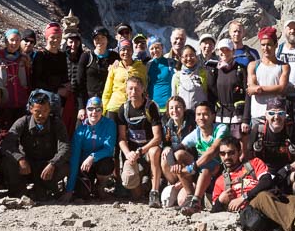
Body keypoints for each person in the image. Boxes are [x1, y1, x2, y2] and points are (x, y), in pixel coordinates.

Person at [0, 90, 71, 200]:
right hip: (26, 164)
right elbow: (7, 144)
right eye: (37, 111)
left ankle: (44, 188)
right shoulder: (22, 122)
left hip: (46, 165)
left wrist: (53, 164)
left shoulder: (56, 123)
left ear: (50, 110)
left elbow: (65, 147)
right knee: (8, 162)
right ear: (31, 109)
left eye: (45, 111)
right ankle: (18, 191)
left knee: (64, 167)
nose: (42, 115)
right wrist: (20, 159)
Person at [247, 97, 295, 195]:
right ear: (266, 115)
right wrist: (262, 175)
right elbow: (248, 158)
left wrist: (288, 168)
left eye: (281, 113)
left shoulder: (292, 130)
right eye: (272, 113)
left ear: (285, 115)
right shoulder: (258, 129)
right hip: (264, 174)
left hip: (287, 172)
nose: (276, 117)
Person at [116, 76, 163, 204]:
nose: (133, 92)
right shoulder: (123, 109)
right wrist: (127, 154)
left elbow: (157, 137)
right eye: (130, 89)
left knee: (154, 152)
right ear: (126, 90)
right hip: (132, 153)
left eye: (136, 89)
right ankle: (144, 183)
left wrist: (141, 151)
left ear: (142, 89)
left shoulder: (151, 106)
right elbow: (121, 138)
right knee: (133, 188)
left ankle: (154, 192)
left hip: (147, 149)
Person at [62, 97, 117, 203]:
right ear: (86, 111)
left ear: (102, 110)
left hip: (101, 161)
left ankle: (100, 187)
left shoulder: (109, 124)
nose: (94, 112)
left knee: (107, 164)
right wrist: (69, 190)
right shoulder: (80, 130)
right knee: (82, 194)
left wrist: (92, 156)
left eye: (98, 109)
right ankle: (90, 186)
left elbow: (109, 148)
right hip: (85, 166)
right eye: (90, 109)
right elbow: (75, 158)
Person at [177, 101, 227, 215]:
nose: (201, 117)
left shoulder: (221, 128)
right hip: (199, 167)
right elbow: (179, 148)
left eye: (205, 114)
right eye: (198, 114)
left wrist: (192, 168)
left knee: (205, 169)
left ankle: (196, 202)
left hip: (218, 167)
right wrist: (172, 160)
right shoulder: (197, 132)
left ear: (213, 116)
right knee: (179, 154)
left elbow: (213, 150)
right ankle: (190, 195)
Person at [32, 23, 73, 134]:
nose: (55, 40)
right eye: (52, 37)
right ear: (47, 38)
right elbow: (36, 80)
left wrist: (66, 85)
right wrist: (57, 90)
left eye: (58, 38)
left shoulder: (62, 56)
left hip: (60, 99)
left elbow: (64, 77)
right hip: (44, 98)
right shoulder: (40, 55)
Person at [159, 95, 196, 208]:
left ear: (184, 108)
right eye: (171, 108)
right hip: (175, 166)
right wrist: (166, 148)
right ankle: (175, 183)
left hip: (190, 164)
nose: (174, 111)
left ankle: (188, 184)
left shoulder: (192, 123)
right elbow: (164, 144)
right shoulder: (167, 125)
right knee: (164, 155)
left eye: (178, 107)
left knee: (179, 154)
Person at [247, 27, 290, 124]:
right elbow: (251, 89)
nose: (265, 48)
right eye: (263, 45)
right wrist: (273, 89)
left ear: (276, 45)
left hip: (277, 115)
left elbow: (282, 88)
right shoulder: (253, 65)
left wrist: (259, 89)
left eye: (269, 45)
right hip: (258, 114)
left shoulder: (284, 66)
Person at [210, 38, 250, 140]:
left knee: (237, 150)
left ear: (233, 51)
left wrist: (245, 119)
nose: (224, 52)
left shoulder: (241, 69)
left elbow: (248, 94)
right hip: (220, 117)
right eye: (221, 50)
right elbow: (212, 93)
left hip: (237, 118)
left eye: (227, 50)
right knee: (221, 149)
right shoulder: (215, 70)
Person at [0, 29, 32, 130]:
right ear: (6, 41)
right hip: (3, 104)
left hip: (21, 102)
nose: (14, 43)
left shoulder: (24, 59)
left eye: (17, 40)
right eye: (12, 40)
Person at [102, 39, 147, 114]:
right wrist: (103, 111)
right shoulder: (114, 67)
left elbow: (144, 87)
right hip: (115, 107)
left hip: (134, 107)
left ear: (132, 51)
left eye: (129, 49)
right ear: (119, 52)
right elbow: (107, 91)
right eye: (123, 49)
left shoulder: (141, 67)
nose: (126, 52)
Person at [78, 27, 114, 110]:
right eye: (97, 38)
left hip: (109, 101)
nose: (100, 41)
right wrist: (81, 107)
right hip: (90, 101)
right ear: (93, 41)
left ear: (107, 39)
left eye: (103, 38)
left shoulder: (114, 57)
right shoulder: (86, 57)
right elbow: (80, 83)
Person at [172, 44, 211, 111]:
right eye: (185, 56)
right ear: (181, 59)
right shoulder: (177, 76)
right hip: (183, 114)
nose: (189, 58)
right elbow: (174, 98)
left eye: (192, 55)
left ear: (196, 57)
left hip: (201, 114)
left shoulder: (204, 73)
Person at [147, 35, 178, 112]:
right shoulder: (147, 65)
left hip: (169, 106)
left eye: (157, 47)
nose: (155, 50)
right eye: (152, 48)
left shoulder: (171, 62)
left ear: (162, 48)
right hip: (153, 105)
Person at [64, 30, 85, 115]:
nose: (73, 45)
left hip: (79, 97)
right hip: (63, 96)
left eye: (76, 42)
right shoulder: (61, 57)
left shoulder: (84, 58)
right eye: (71, 42)